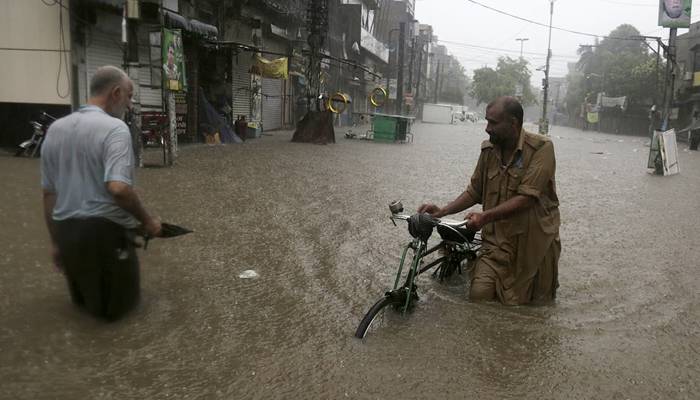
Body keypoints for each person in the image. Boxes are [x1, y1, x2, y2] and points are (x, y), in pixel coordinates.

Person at [41, 65, 162, 320]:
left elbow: (49, 195)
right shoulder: (115, 129)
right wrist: (148, 221)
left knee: (85, 313)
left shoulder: (55, 129)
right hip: (105, 236)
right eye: (129, 96)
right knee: (119, 318)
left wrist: (55, 243)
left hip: (67, 235)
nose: (130, 105)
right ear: (116, 93)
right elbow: (118, 189)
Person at [418, 96, 560, 305]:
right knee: (479, 296)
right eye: (487, 121)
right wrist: (442, 211)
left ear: (513, 123)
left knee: (536, 306)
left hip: (533, 247)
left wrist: (485, 216)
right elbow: (475, 191)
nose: (487, 128)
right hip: (496, 244)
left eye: (493, 122)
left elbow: (527, 199)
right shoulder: (488, 151)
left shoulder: (541, 149)